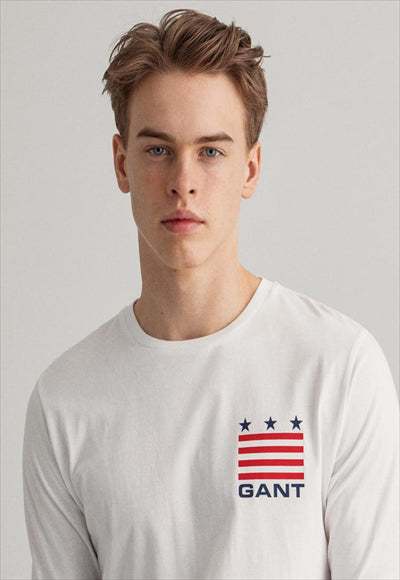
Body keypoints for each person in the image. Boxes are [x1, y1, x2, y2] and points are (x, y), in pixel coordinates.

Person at [22, 8, 399, 580]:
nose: (183, 182)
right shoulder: (64, 402)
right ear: (121, 163)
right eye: (157, 150)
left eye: (211, 151)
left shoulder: (339, 368)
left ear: (250, 168)